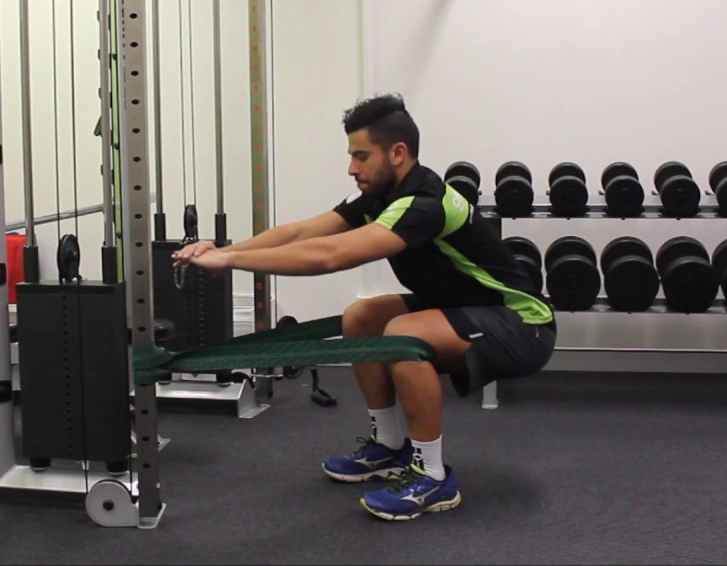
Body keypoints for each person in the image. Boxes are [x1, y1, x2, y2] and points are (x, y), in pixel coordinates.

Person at [171, 93, 556, 521]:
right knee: (363, 318)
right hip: (467, 306)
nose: (352, 168)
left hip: (523, 323)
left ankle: (432, 476)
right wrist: (225, 250)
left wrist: (232, 262)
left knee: (403, 337)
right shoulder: (382, 196)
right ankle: (390, 447)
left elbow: (330, 256)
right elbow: (301, 234)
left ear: (397, 153)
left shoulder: (422, 204)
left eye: (361, 156)